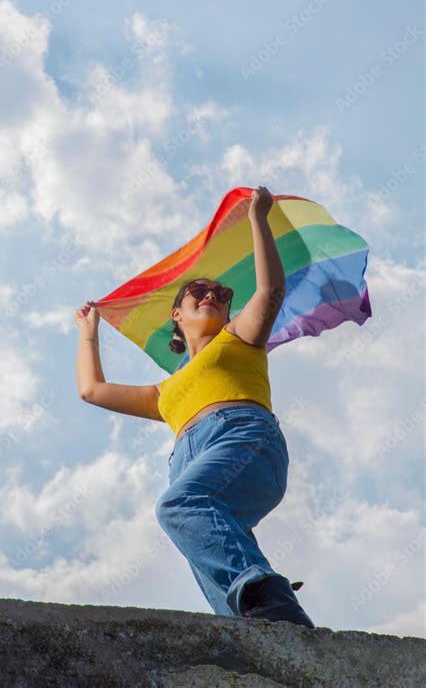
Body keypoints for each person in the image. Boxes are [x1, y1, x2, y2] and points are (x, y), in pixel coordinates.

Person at [75, 187, 315, 627]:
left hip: (243, 436)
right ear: (176, 317)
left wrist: (258, 219)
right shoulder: (163, 392)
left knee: (179, 506)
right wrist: (89, 331)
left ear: (229, 312)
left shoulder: (239, 338)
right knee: (206, 541)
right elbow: (92, 390)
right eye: (197, 291)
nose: (212, 294)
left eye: (221, 293)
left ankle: (268, 593)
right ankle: (260, 624)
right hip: (189, 457)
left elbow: (271, 289)